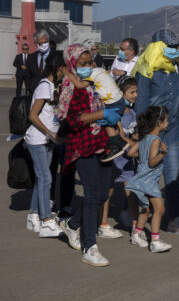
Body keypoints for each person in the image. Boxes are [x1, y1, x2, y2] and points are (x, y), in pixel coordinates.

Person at [57, 44, 121, 267]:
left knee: (103, 193)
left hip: (102, 142)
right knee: (92, 194)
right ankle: (89, 246)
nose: (88, 67)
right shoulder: (69, 87)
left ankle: (73, 224)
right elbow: (71, 120)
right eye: (83, 64)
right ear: (72, 64)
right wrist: (100, 114)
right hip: (82, 146)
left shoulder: (95, 82)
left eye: (90, 62)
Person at [133, 29, 179, 236]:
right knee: (146, 176)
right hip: (152, 132)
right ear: (158, 47)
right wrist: (142, 133)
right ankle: (135, 217)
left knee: (172, 176)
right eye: (171, 46)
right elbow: (141, 103)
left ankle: (174, 219)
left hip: (173, 130)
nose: (175, 50)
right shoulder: (146, 70)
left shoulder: (174, 69)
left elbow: (178, 101)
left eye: (176, 46)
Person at [25, 53, 67, 237]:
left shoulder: (54, 87)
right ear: (59, 68)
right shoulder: (45, 86)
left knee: (42, 178)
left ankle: (33, 215)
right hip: (38, 139)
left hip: (48, 140)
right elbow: (32, 115)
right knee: (46, 178)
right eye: (66, 69)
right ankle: (46, 220)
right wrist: (49, 133)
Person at [126, 106, 172, 253]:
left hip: (142, 178)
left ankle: (137, 234)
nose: (168, 122)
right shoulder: (156, 140)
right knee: (160, 209)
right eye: (166, 120)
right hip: (149, 181)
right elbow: (152, 162)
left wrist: (143, 156)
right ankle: (155, 241)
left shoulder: (144, 138)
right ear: (159, 123)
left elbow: (130, 152)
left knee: (146, 209)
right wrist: (163, 153)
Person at [62, 62, 129, 162]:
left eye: (87, 64)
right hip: (119, 101)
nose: (86, 67)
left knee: (107, 125)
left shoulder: (92, 74)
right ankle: (120, 142)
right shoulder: (101, 71)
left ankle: (115, 146)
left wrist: (68, 73)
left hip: (112, 103)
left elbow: (79, 85)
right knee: (112, 124)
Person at [98, 76, 139, 239]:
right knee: (108, 191)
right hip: (115, 157)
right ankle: (103, 224)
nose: (135, 95)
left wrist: (138, 141)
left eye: (136, 92)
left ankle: (135, 225)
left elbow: (133, 135)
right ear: (121, 94)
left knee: (131, 192)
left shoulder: (133, 113)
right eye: (132, 92)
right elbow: (121, 136)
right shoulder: (118, 113)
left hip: (127, 161)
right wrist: (136, 146)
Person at [26, 30, 56, 95]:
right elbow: (28, 77)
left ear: (49, 41)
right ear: (35, 43)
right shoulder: (31, 57)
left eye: (45, 42)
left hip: (51, 93)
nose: (43, 45)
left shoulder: (56, 56)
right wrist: (29, 89)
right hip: (34, 92)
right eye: (40, 43)